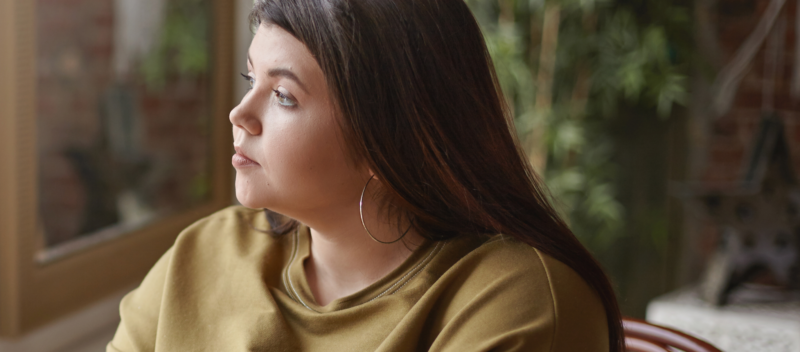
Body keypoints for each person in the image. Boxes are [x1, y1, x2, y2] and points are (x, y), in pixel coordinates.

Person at [107, 0, 623, 351]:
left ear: (389, 135)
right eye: (250, 78)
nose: (240, 113)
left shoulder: (517, 300)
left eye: (284, 95)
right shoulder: (205, 253)